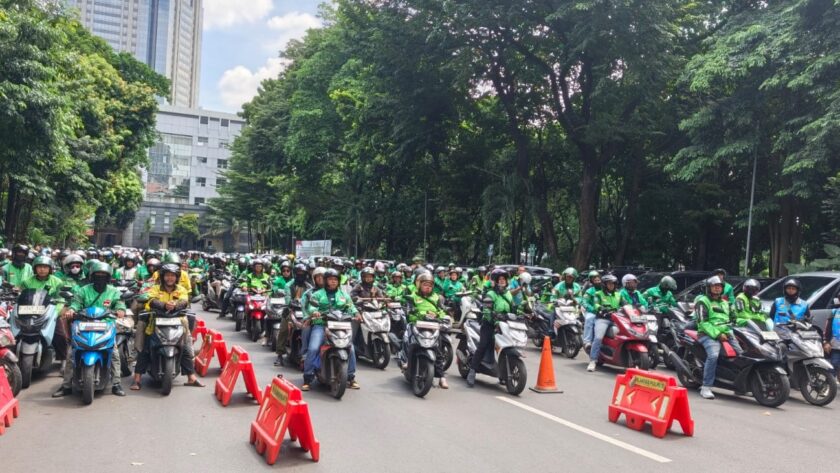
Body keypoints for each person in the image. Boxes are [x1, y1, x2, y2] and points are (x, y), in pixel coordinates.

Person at [53, 262, 126, 397]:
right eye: (97, 275)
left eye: (103, 275)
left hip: (105, 325)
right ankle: (66, 385)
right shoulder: (83, 290)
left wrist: (120, 309)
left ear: (108, 277)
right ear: (92, 276)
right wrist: (72, 310)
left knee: (114, 353)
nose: (100, 277)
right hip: (84, 324)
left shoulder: (113, 291)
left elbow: (119, 303)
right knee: (72, 353)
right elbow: (76, 303)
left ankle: (116, 384)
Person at [130, 262, 204, 390]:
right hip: (155, 323)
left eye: (173, 275)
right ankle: (137, 379)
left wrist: (176, 306)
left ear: (177, 277)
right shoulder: (155, 288)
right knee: (144, 348)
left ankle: (191, 378)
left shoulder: (181, 289)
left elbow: (184, 301)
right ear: (163, 276)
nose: (170, 278)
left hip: (177, 323)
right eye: (167, 275)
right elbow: (150, 300)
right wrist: (163, 305)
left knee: (185, 348)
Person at [301, 269, 359, 391]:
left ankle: (351, 377)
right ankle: (308, 377)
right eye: (330, 279)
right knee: (313, 348)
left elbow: (351, 306)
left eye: (335, 280)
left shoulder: (343, 295)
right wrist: (314, 312)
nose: (333, 282)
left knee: (351, 349)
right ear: (326, 281)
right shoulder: (317, 294)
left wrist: (356, 313)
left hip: (340, 325)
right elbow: (311, 306)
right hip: (321, 324)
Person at [695, 276, 743, 399]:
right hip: (707, 334)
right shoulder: (703, 301)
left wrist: (747, 324)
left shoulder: (725, 303)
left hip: (727, 333)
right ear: (709, 288)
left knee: (741, 354)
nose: (717, 288)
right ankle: (706, 387)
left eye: (719, 286)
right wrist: (717, 334)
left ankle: (739, 385)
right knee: (713, 356)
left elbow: (734, 319)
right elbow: (703, 323)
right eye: (714, 286)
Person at [467, 268, 515, 387]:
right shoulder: (491, 294)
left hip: (504, 324)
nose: (502, 281)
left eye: (504, 279)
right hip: (489, 324)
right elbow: (487, 311)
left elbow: (514, 308)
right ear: (495, 281)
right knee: (483, 345)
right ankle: (472, 370)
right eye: (500, 279)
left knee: (506, 346)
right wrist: (494, 319)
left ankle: (503, 373)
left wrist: (522, 313)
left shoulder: (508, 294)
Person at [405, 272, 449, 388]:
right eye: (425, 284)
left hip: (433, 326)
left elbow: (442, 311)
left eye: (430, 285)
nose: (428, 287)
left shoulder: (437, 297)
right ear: (419, 285)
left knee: (438, 350)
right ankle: (406, 362)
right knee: (409, 341)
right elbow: (409, 312)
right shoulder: (413, 297)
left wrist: (437, 315)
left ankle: (442, 377)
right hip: (417, 324)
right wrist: (421, 314)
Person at [587, 275, 622, 372]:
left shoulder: (618, 295)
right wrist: (601, 308)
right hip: (603, 319)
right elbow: (596, 304)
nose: (611, 285)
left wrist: (634, 307)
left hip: (617, 319)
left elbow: (626, 304)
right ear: (604, 285)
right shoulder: (598, 294)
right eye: (609, 283)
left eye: (613, 284)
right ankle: (593, 360)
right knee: (598, 337)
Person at [275, 263, 311, 352]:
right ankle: (280, 352)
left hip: (305, 311)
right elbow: (287, 298)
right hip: (291, 309)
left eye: (302, 273)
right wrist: (290, 303)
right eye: (298, 273)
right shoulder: (288, 285)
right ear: (295, 274)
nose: (300, 275)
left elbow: (312, 298)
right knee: (283, 329)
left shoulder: (309, 286)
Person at [581, 271, 601, 352]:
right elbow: (584, 301)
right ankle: (587, 341)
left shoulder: (605, 289)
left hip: (604, 312)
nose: (597, 281)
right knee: (589, 319)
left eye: (598, 279)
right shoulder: (589, 290)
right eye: (594, 279)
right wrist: (592, 309)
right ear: (591, 280)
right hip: (592, 311)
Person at [823, 298, 840, 381]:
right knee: (833, 366)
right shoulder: (834, 312)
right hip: (836, 345)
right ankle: (830, 385)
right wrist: (826, 342)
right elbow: (827, 329)